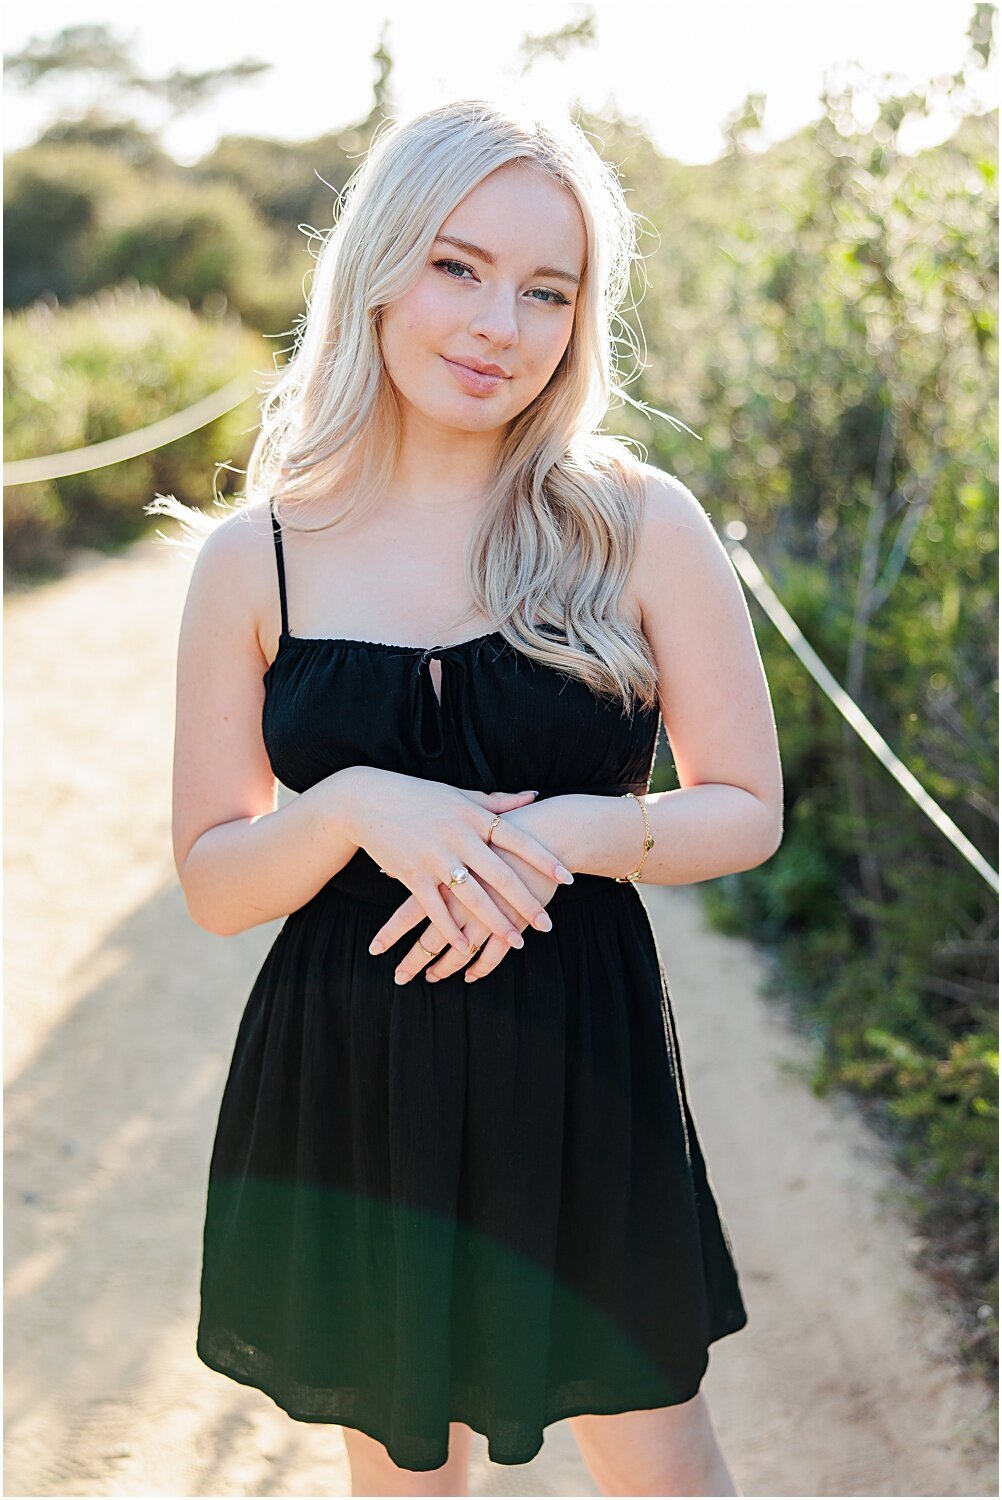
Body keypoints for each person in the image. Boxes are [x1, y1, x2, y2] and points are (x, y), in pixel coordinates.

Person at [162, 97, 783, 1496]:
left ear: (581, 315)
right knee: (400, 1466)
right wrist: (351, 806)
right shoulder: (254, 559)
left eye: (544, 289)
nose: (498, 322)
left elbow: (743, 804)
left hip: (581, 1056)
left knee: (659, 1453)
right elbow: (213, 879)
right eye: (457, 266)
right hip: (352, 1073)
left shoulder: (635, 519)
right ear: (377, 267)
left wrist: (569, 835)